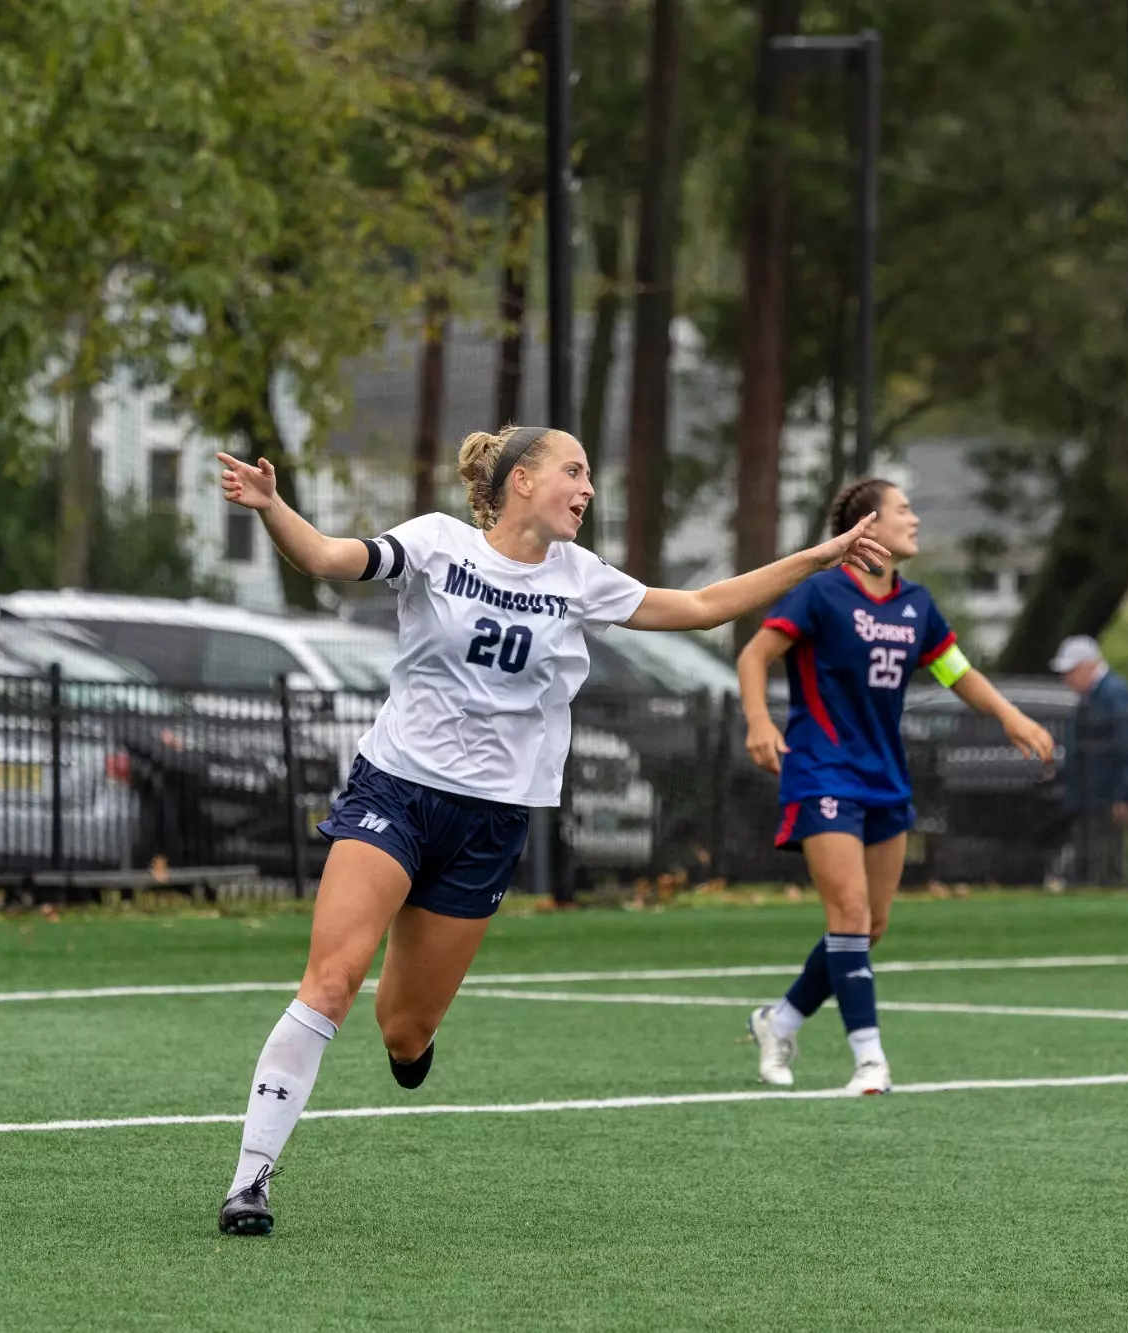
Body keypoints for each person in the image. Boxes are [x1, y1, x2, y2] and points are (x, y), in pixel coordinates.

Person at [212, 425, 892, 1236]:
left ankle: (407, 1047)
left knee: (405, 1027)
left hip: (490, 822)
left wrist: (816, 557)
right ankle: (249, 1181)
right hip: (394, 790)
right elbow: (326, 558)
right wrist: (270, 506)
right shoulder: (437, 545)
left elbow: (704, 605)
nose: (587, 488)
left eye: (590, 475)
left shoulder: (581, 578)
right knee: (331, 980)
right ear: (522, 479)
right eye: (574, 471)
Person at [736, 477, 1054, 1094]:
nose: (915, 519)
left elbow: (957, 673)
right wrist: (757, 721)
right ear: (869, 527)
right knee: (849, 915)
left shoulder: (917, 605)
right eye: (904, 510)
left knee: (869, 927)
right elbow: (754, 656)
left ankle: (780, 1021)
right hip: (822, 770)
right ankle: (870, 1060)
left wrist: (1011, 715)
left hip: (885, 779)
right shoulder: (823, 593)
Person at [1048, 634, 1128, 888]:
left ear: (1089, 666)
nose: (1066, 678)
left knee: (1104, 860)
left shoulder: (1114, 694)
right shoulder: (1092, 696)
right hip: (1090, 795)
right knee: (1088, 857)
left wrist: (1124, 795)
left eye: (1071, 671)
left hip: (1105, 795)